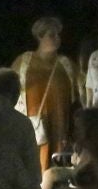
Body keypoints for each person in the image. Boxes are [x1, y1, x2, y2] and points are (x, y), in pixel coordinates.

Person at [10, 14, 81, 175]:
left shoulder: (66, 65)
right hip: (33, 131)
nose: (57, 38)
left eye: (58, 34)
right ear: (40, 37)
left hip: (60, 131)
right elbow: (10, 94)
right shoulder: (24, 62)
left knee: (57, 174)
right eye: (51, 34)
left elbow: (79, 98)